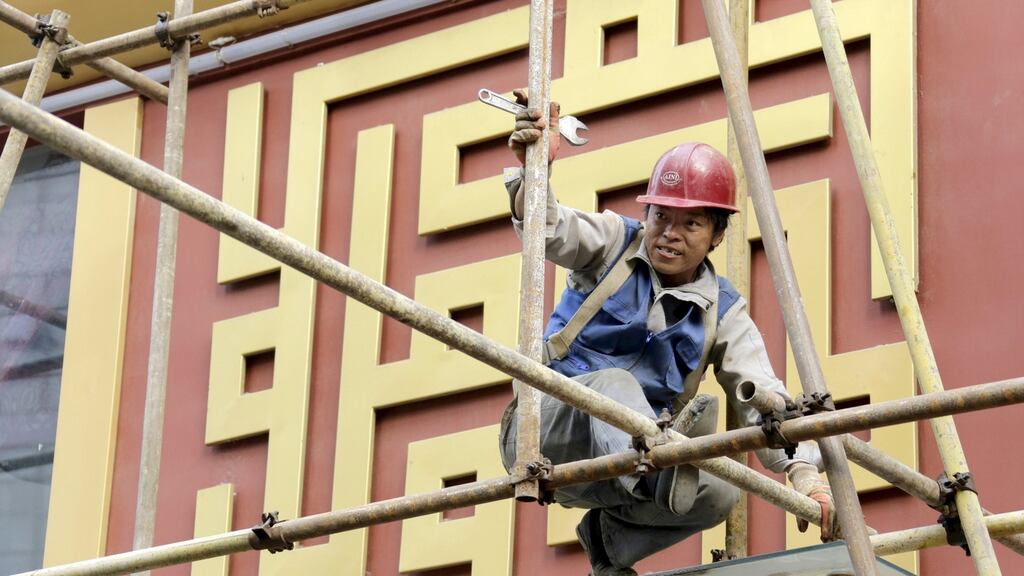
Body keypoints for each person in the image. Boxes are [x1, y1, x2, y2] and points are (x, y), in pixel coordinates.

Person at [497, 93, 835, 575]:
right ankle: (662, 463)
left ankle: (609, 545)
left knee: (722, 486)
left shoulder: (724, 309)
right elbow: (547, 227)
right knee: (616, 388)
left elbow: (764, 395)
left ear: (717, 234)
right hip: (547, 429)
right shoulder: (614, 241)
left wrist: (806, 475)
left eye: (690, 222)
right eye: (661, 216)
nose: (669, 234)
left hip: (626, 469)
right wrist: (534, 171)